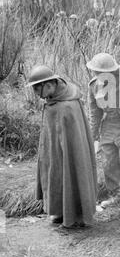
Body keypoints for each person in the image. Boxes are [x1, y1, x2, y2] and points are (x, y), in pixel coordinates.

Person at [26, 65, 97, 228]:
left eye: (38, 91)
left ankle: (77, 214)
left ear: (49, 85)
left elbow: (71, 136)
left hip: (70, 150)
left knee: (72, 170)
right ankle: (62, 211)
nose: (37, 96)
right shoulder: (56, 99)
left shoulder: (66, 105)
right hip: (55, 150)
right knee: (57, 174)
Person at [87, 53, 120, 209]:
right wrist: (92, 136)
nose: (97, 75)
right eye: (95, 72)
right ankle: (115, 195)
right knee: (108, 162)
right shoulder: (93, 86)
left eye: (101, 72)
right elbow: (94, 113)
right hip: (109, 125)